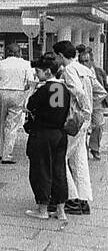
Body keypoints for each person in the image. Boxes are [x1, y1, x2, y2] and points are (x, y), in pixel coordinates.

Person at [24, 53, 70, 221]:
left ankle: (43, 208)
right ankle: (60, 209)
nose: (36, 73)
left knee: (41, 170)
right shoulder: (65, 89)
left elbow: (29, 106)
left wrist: (31, 89)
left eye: (39, 70)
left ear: (48, 72)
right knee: (59, 170)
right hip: (59, 134)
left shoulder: (43, 89)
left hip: (42, 134)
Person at [54, 40, 93, 214]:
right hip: (84, 122)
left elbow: (79, 92)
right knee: (79, 160)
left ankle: (71, 198)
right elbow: (99, 92)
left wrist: (84, 111)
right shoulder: (86, 69)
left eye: (57, 56)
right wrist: (89, 115)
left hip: (75, 120)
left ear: (61, 55)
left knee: (60, 157)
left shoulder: (69, 70)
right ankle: (83, 199)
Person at [0, 42, 32, 164]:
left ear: (7, 53)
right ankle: (7, 155)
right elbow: (29, 82)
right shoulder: (25, 64)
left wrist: (3, 85)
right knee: (12, 125)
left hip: (1, 93)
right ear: (19, 53)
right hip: (18, 94)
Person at [76, 44, 107, 160]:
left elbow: (104, 90)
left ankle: (95, 148)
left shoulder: (99, 72)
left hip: (96, 103)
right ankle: (82, 150)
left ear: (91, 61)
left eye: (86, 61)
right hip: (83, 104)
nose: (84, 64)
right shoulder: (77, 72)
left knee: (98, 125)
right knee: (82, 126)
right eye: (82, 61)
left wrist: (93, 101)